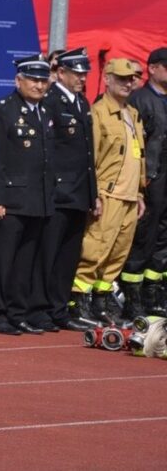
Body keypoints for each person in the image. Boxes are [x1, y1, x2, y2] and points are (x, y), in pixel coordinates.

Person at [0, 56, 56, 335]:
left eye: (43, 80)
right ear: (18, 81)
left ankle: (17, 312)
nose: (39, 85)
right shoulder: (4, 109)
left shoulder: (45, 112)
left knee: (26, 261)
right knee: (2, 261)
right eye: (33, 80)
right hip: (10, 199)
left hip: (39, 199)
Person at [75, 59, 147, 323]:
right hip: (108, 195)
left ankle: (101, 301)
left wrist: (139, 193)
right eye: (122, 78)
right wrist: (94, 195)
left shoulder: (133, 114)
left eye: (132, 79)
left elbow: (138, 159)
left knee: (117, 255)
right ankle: (78, 301)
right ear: (107, 79)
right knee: (94, 250)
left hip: (129, 197)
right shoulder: (98, 114)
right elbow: (90, 160)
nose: (129, 83)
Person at [32, 48, 97, 331]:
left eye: (84, 73)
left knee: (69, 256)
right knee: (48, 254)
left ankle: (59, 309)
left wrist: (93, 195)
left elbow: (87, 156)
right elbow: (48, 151)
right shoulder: (51, 101)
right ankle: (40, 309)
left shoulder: (81, 102)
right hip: (58, 192)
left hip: (79, 193)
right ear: (60, 73)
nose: (81, 78)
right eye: (76, 73)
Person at [120, 47, 167, 319]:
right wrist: (141, 180)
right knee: (143, 238)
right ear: (152, 68)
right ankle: (132, 296)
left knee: (162, 240)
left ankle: (154, 290)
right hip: (150, 180)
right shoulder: (140, 100)